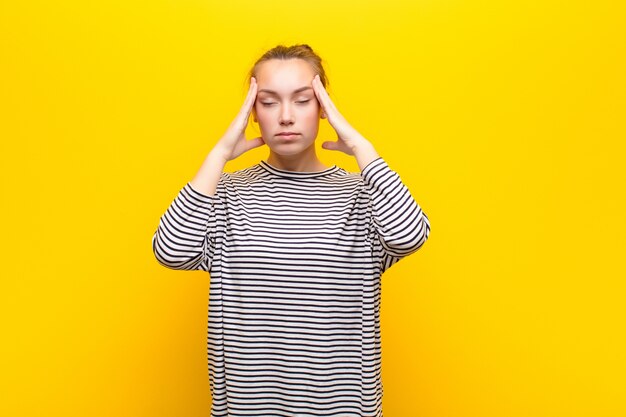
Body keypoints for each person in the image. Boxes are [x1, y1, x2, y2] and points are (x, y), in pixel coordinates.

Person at [152, 44, 431, 417]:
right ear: (252, 113)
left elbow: (410, 236)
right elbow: (170, 251)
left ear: (323, 109)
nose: (285, 116)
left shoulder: (362, 195)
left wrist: (364, 150)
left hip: (344, 408)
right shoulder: (226, 194)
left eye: (302, 100)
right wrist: (217, 156)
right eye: (268, 102)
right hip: (248, 408)